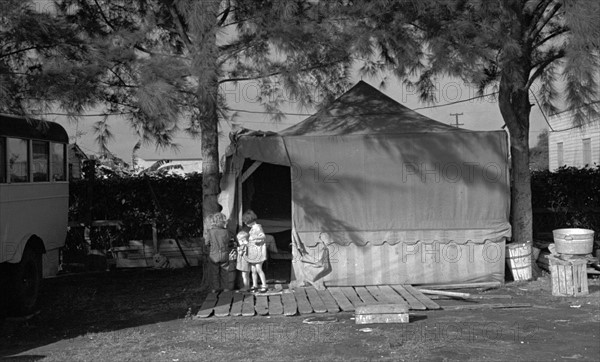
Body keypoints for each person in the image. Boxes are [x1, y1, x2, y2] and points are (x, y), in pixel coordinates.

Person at [205, 213, 233, 293]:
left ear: (213, 221)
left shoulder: (210, 232)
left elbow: (207, 243)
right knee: (225, 272)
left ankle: (215, 288)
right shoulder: (226, 232)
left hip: (214, 255)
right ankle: (226, 288)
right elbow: (229, 242)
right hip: (224, 254)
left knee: (214, 273)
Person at [242, 210, 268, 293]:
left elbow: (263, 236)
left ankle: (264, 285)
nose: (246, 224)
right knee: (253, 270)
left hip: (258, 251)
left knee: (258, 269)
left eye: (246, 222)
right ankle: (255, 285)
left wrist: (255, 239)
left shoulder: (257, 227)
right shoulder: (252, 228)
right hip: (253, 252)